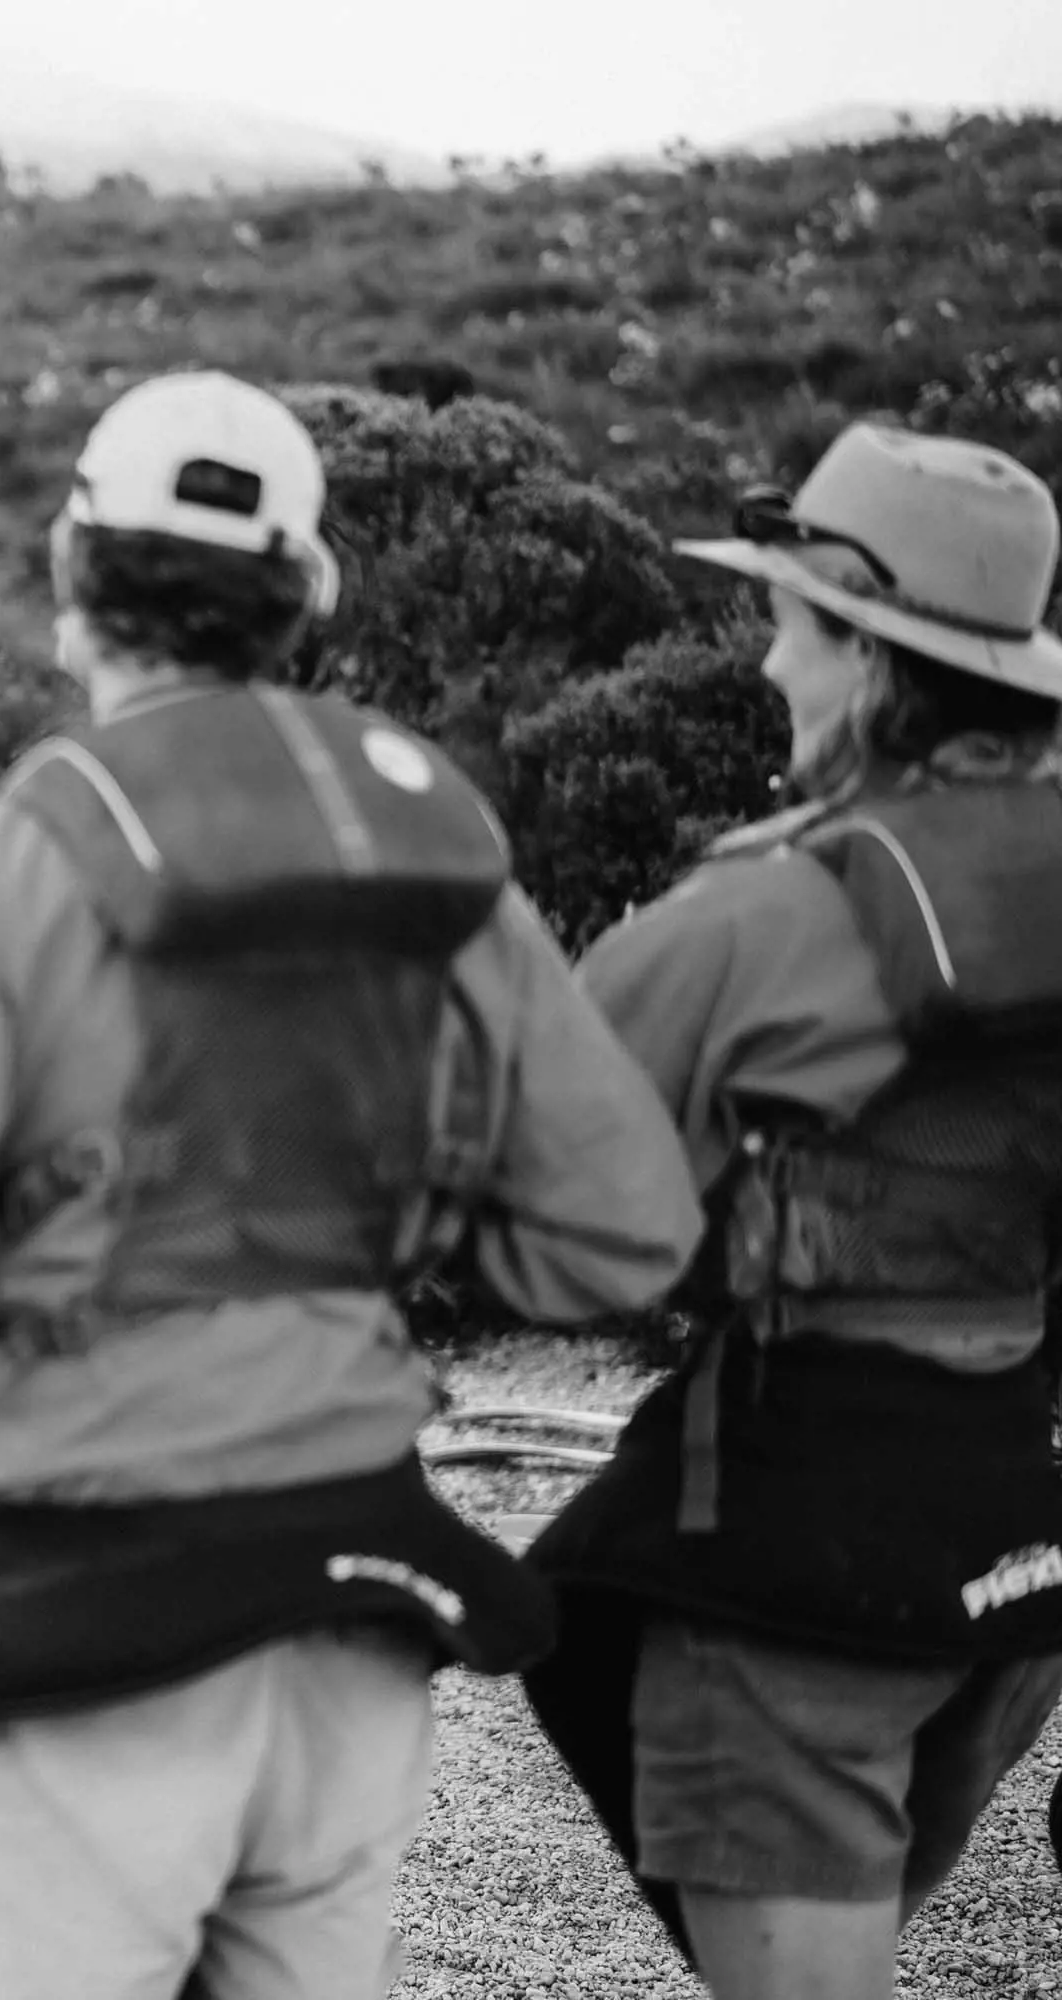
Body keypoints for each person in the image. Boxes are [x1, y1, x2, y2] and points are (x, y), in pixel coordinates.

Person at [0, 370, 706, 2000]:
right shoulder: (443, 873)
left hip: (108, 1598)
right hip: (365, 1595)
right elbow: (626, 1230)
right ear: (304, 597)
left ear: (66, 575)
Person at [521, 423, 1062, 2000]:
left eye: (787, 625)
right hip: (1013, 1549)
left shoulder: (760, 914)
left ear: (867, 654)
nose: (766, 666)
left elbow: (562, 1233)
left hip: (791, 1565)